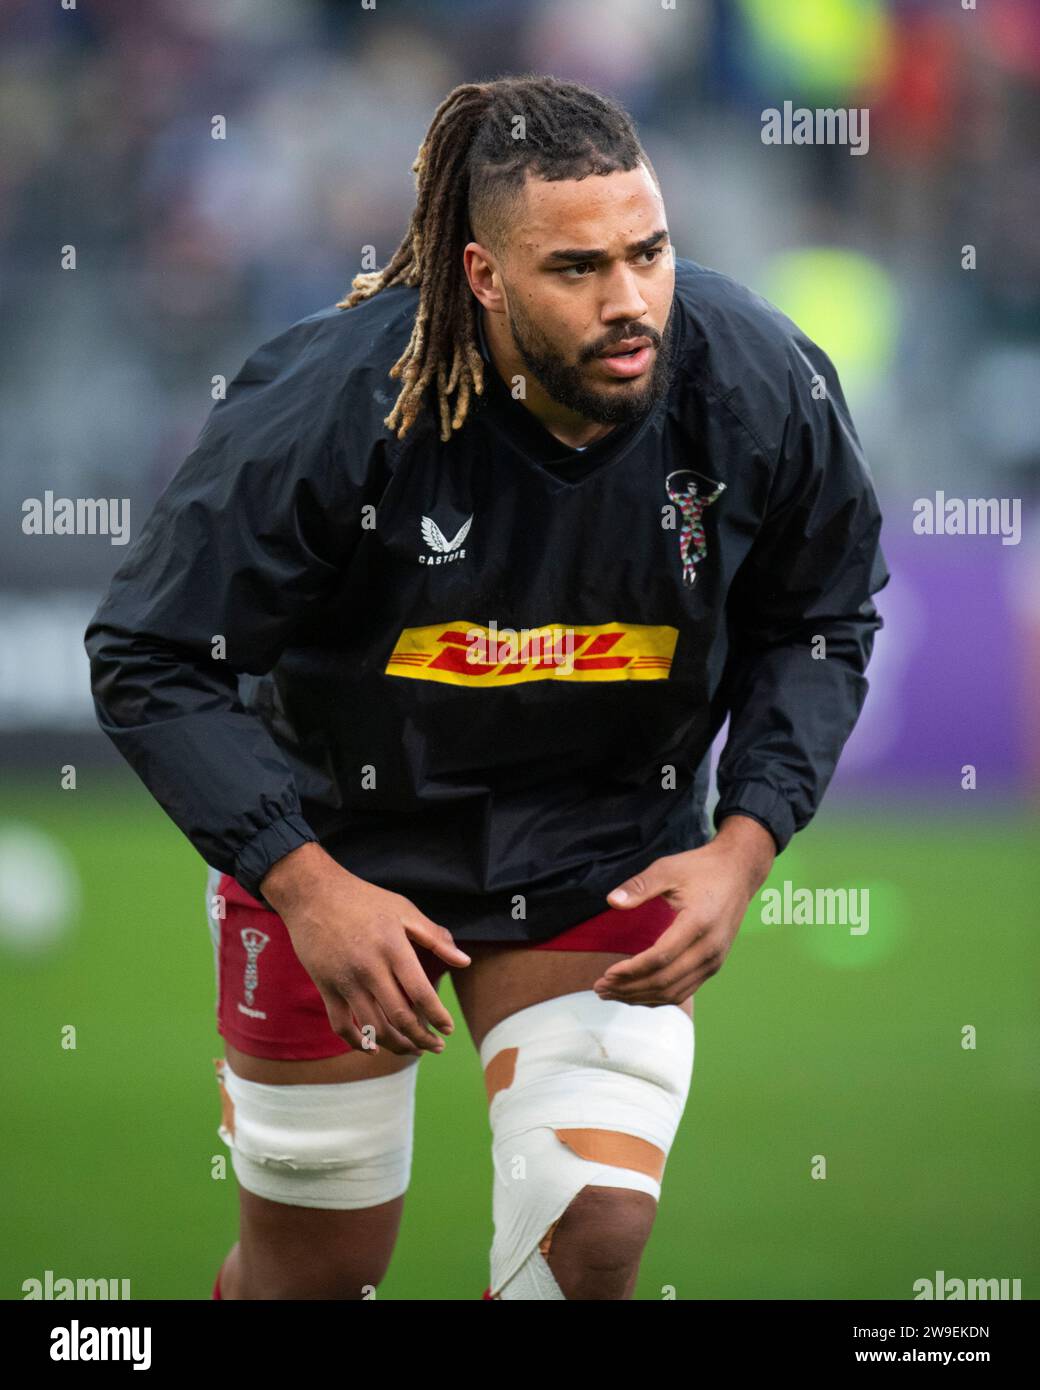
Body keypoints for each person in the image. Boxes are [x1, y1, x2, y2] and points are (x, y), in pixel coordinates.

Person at [85, 74, 888, 1301]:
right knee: (314, 1280)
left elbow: (821, 613)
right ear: (479, 276)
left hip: (598, 846)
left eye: (649, 251)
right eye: (576, 269)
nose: (629, 303)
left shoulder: (760, 380)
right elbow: (149, 653)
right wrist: (304, 887)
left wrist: (743, 843)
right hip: (341, 850)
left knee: (595, 1235)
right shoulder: (328, 403)